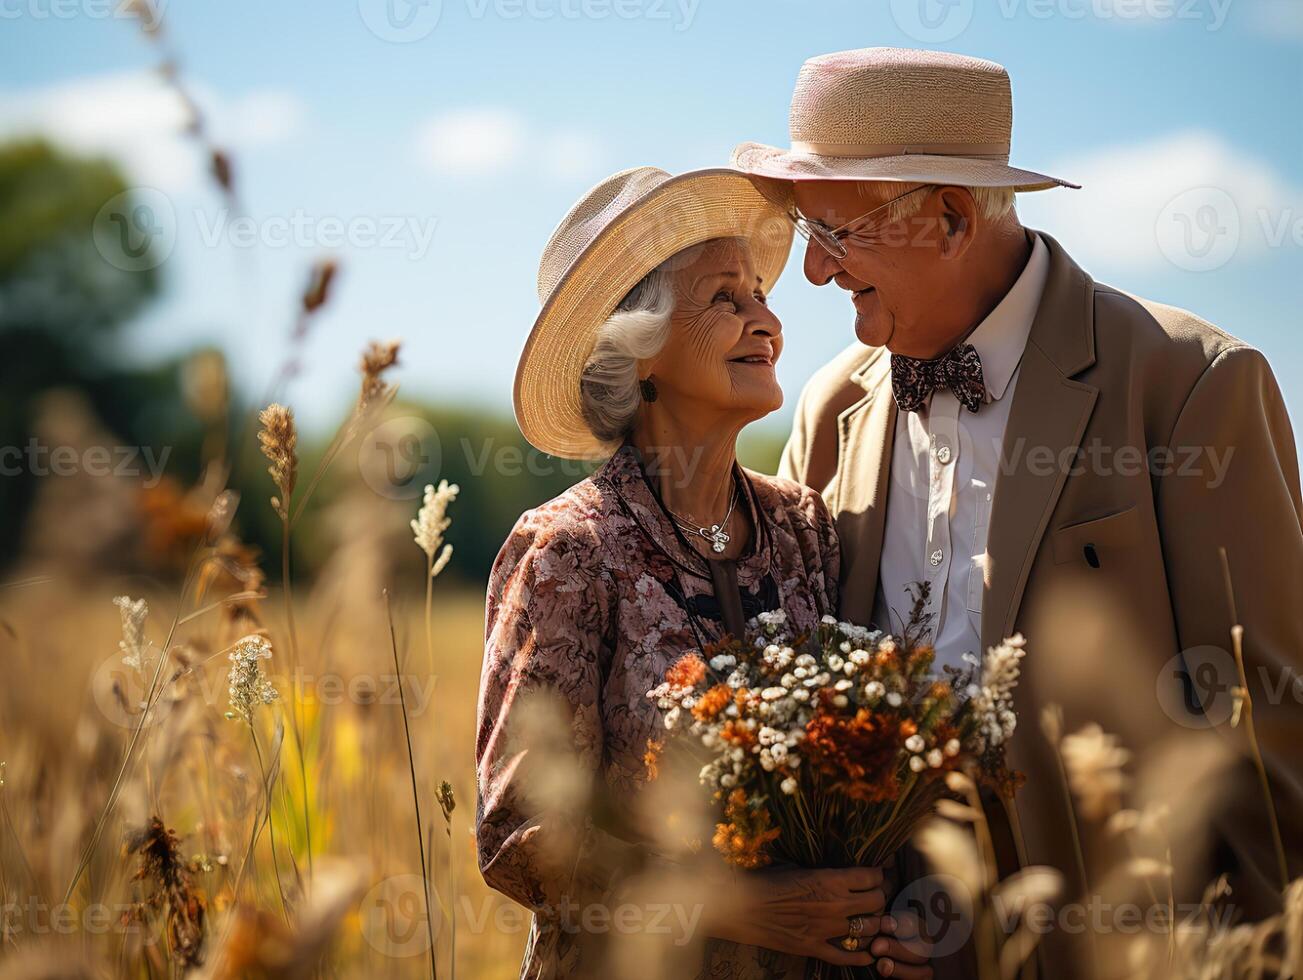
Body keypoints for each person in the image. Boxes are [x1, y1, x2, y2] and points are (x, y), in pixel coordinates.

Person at [734, 46, 1303, 976]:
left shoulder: (1190, 383)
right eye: (805, 230)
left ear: (952, 218)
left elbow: (1270, 728)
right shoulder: (831, 406)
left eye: (835, 233)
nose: (811, 271)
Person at [475, 166, 933, 978]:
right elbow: (520, 840)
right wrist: (741, 909)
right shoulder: (567, 551)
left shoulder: (804, 528)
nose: (768, 320)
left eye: (761, 293)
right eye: (727, 299)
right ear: (636, 346)